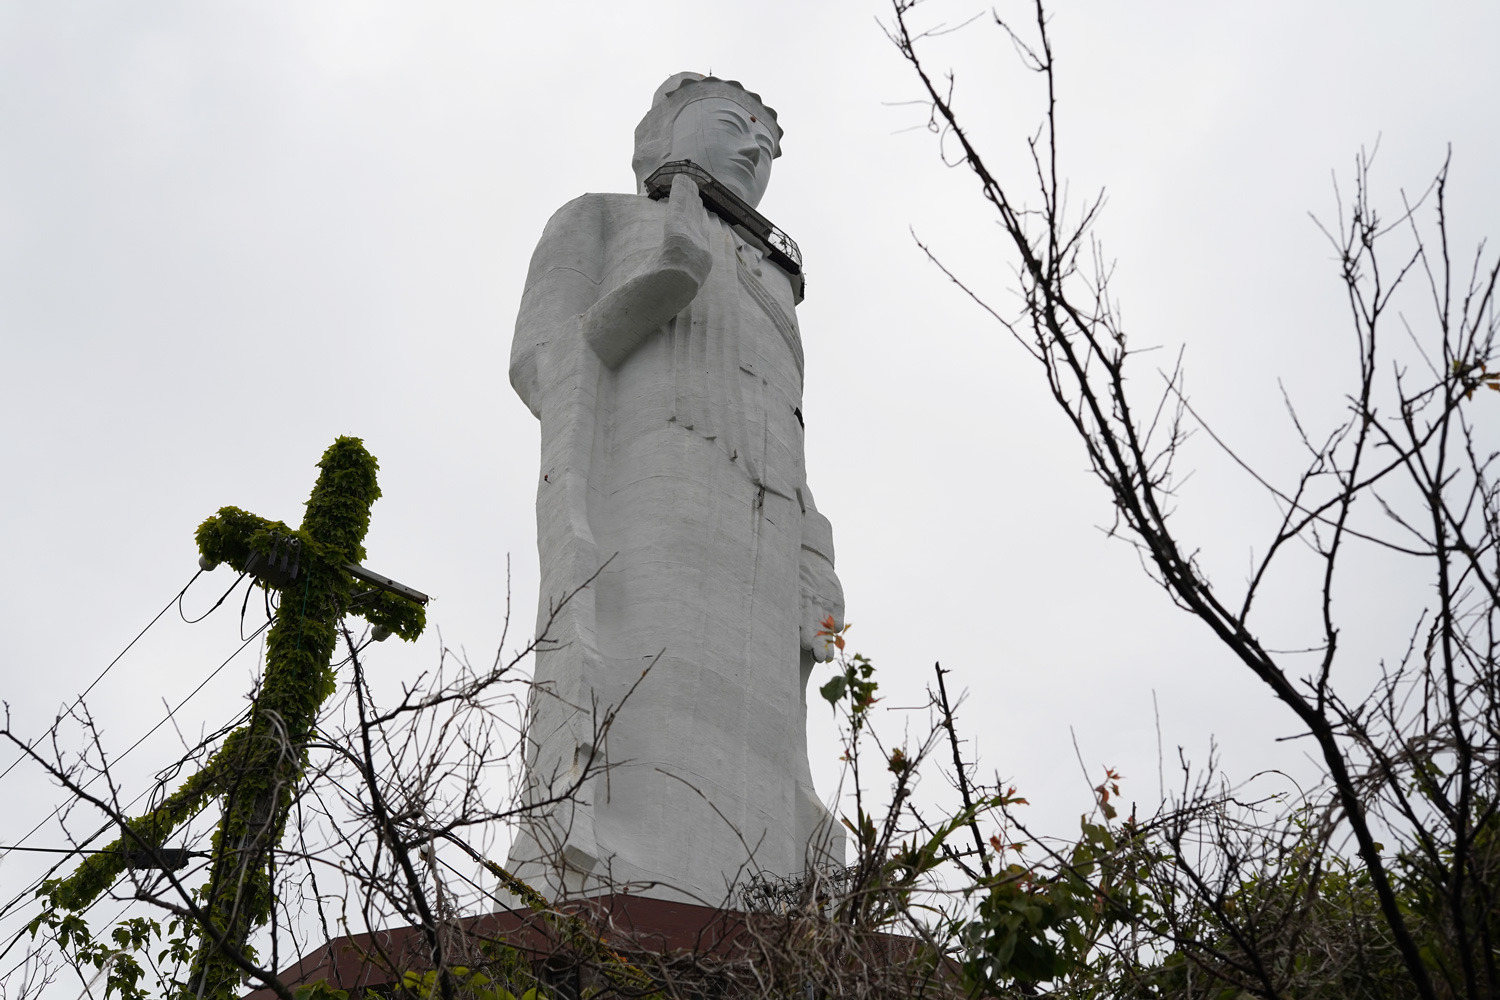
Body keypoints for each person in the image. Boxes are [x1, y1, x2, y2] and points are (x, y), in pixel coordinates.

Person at [506, 72, 845, 904]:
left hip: (759, 525)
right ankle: (608, 874)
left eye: (766, 146)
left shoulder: (776, 291)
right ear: (662, 135)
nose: (752, 151)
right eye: (733, 125)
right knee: (638, 686)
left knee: (763, 735)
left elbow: (795, 444)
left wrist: (814, 551)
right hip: (653, 496)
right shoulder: (601, 219)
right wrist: (656, 287)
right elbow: (541, 361)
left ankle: (760, 904)